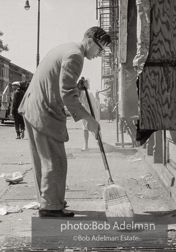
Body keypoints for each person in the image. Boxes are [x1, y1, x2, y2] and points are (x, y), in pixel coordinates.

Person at [18, 26, 111, 217]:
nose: (99, 55)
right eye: (100, 50)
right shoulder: (75, 56)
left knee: (43, 160)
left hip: (32, 106)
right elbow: (67, 95)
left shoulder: (67, 48)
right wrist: (89, 119)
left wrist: (78, 85)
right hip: (44, 109)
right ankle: (50, 208)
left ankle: (49, 202)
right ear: (90, 41)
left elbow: (59, 82)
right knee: (55, 160)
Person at [78, 77, 100, 151]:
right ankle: (86, 146)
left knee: (95, 128)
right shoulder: (81, 93)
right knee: (85, 129)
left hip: (91, 112)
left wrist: (91, 118)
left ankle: (100, 144)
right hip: (85, 112)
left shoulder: (88, 93)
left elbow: (93, 105)